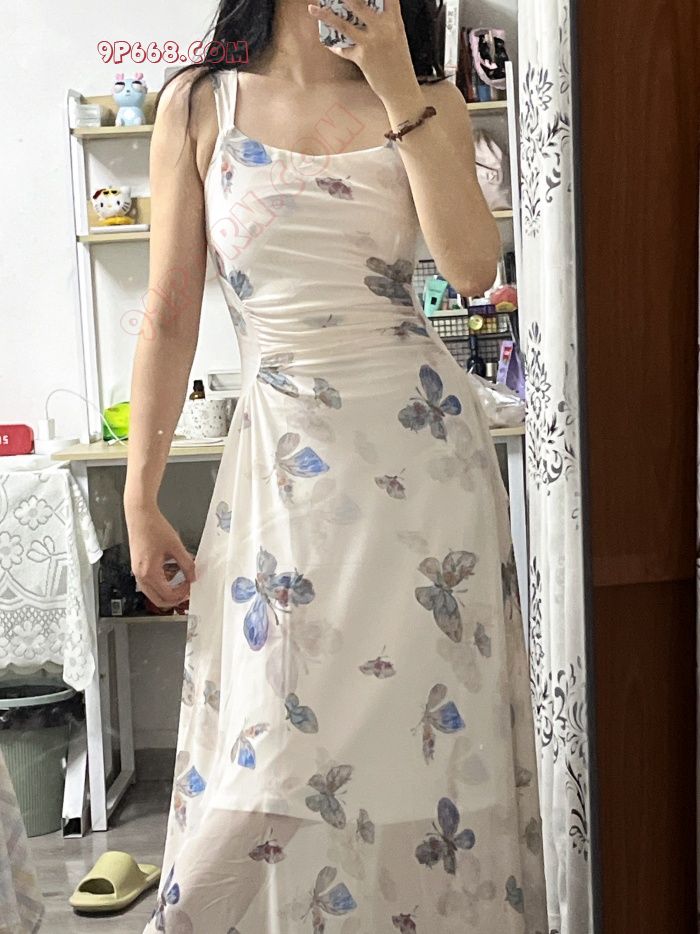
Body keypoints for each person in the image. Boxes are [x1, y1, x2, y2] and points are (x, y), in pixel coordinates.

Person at [124, 1, 548, 930]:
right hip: (284, 470)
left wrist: (397, 85)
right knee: (272, 740)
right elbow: (168, 313)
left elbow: (472, 268)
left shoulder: (427, 96)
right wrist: (139, 496)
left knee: (423, 748)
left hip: (425, 468)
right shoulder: (201, 104)